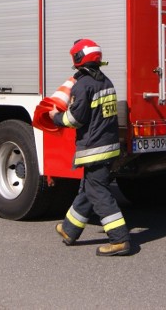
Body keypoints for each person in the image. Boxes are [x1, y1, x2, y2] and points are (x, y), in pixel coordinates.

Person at [50, 38, 132, 257]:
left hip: (94, 148)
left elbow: (75, 119)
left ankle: (119, 239)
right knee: (88, 189)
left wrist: (56, 117)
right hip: (109, 145)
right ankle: (69, 229)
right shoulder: (106, 82)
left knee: (98, 192)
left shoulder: (84, 85)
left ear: (78, 58)